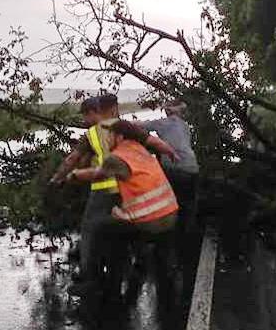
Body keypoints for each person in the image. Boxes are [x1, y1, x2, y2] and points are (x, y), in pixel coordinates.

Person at [49, 94, 177, 299]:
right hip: (126, 189)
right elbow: (153, 141)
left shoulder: (92, 133)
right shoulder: (126, 127)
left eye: (86, 115)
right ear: (114, 108)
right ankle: (127, 267)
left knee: (91, 231)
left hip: (102, 189)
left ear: (97, 111)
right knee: (120, 230)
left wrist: (57, 179)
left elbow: (72, 159)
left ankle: (91, 279)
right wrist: (171, 151)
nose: (84, 120)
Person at [136, 99, 200, 316]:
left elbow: (139, 129)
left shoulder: (163, 123)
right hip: (192, 168)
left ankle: (165, 243)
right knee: (187, 207)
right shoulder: (185, 126)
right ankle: (186, 242)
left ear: (167, 111)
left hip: (175, 169)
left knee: (167, 204)